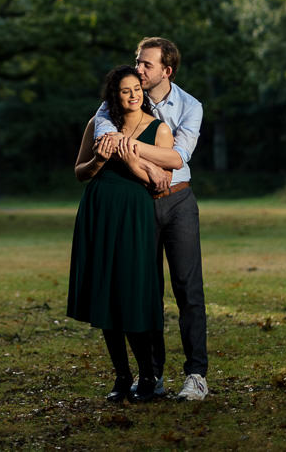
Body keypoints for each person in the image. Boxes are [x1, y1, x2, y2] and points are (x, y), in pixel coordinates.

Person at [92, 37, 208, 402]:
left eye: (146, 65)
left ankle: (196, 375)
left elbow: (179, 157)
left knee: (188, 290)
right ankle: (152, 375)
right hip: (137, 204)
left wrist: (129, 147)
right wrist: (142, 163)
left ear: (166, 71)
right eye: (137, 62)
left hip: (178, 203)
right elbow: (102, 142)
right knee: (145, 293)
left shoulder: (191, 107)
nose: (138, 70)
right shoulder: (115, 102)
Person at [67, 65, 183, 404]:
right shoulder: (98, 126)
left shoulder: (159, 130)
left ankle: (148, 373)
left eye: (136, 89)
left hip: (135, 214)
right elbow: (79, 172)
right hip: (100, 209)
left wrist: (136, 163)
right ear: (114, 96)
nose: (132, 95)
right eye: (124, 91)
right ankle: (122, 375)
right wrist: (99, 163)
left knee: (135, 290)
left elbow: (160, 181)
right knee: (106, 289)